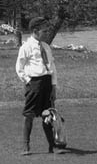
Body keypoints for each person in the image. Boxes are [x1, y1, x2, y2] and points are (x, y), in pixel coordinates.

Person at [15, 17, 63, 155]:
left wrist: (53, 86)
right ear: (36, 31)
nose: (47, 33)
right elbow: (19, 67)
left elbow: (52, 66)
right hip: (34, 83)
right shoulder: (26, 47)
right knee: (29, 114)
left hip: (47, 82)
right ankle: (26, 146)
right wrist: (28, 80)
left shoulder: (46, 47)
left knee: (48, 114)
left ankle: (52, 145)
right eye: (44, 31)